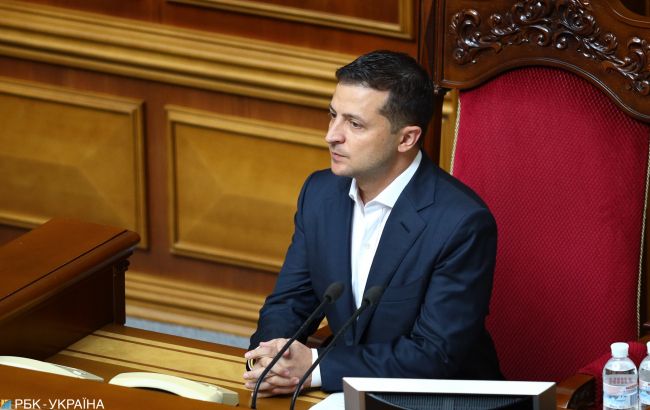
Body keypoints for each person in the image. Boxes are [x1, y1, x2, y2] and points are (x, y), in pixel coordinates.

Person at [243, 50, 502, 397]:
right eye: (333, 115)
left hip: (436, 399)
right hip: (343, 392)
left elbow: (434, 355)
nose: (332, 135)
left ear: (406, 138)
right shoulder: (319, 193)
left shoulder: (461, 223)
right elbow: (290, 302)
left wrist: (315, 367)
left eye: (355, 124)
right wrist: (271, 356)